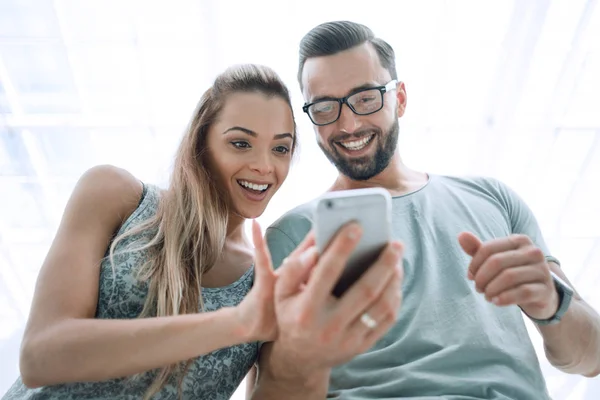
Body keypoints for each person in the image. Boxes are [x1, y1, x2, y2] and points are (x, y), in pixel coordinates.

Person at [248, 21, 600, 399]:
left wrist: (551, 300)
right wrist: (299, 352)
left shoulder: (492, 199)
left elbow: (590, 357)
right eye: (325, 107)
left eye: (365, 98)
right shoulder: (292, 237)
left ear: (399, 98)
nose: (347, 124)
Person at [3, 64, 297, 400]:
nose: (264, 165)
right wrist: (232, 324)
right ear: (202, 141)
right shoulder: (116, 196)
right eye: (241, 143)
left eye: (280, 148)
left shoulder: (265, 281)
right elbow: (40, 356)